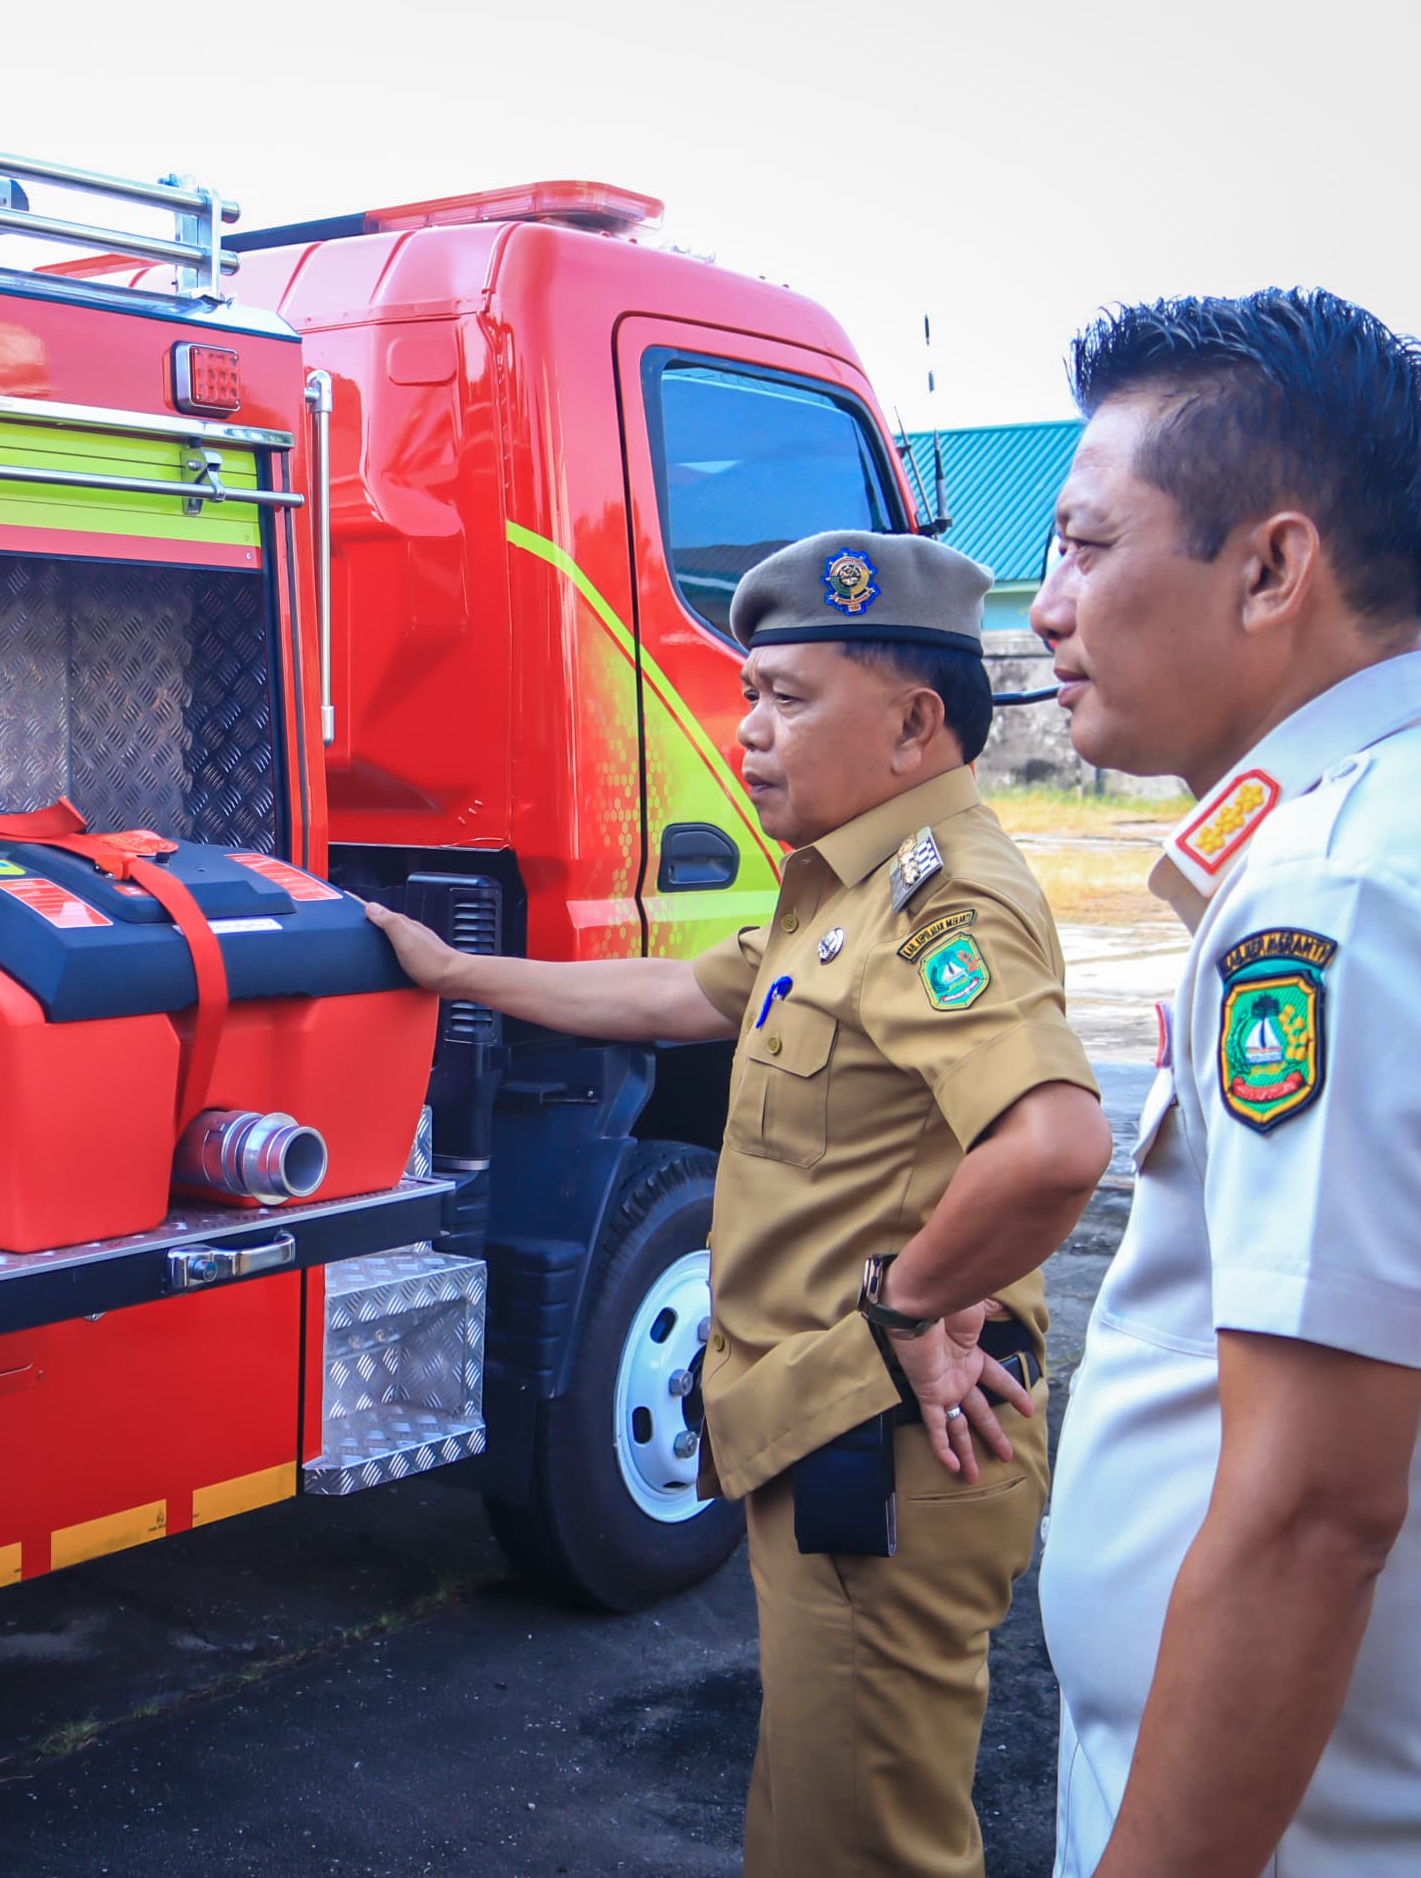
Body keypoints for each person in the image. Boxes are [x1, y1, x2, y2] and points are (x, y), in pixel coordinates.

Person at [367, 531, 1111, 1878]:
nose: (748, 731)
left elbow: (1053, 1145)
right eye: (749, 693)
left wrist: (909, 1303)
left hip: (882, 1452)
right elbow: (672, 996)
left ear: (913, 721)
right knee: (810, 1827)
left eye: (788, 697)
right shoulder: (845, 884)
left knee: (865, 1846)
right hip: (816, 1432)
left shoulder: (947, 907)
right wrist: (455, 974)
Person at [1031, 289, 1421, 1876]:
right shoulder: (1399, 832)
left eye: (1088, 547)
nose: (1046, 608)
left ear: (1273, 568)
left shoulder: (1350, 893)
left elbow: (1315, 1519)